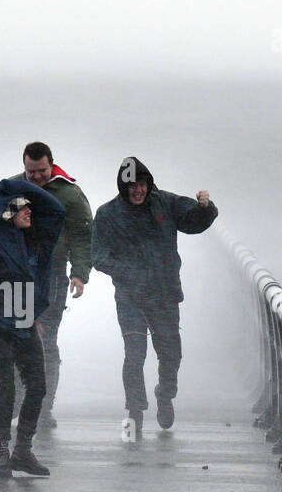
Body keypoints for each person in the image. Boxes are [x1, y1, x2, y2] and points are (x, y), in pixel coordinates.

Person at [91, 157, 219, 434]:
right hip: (130, 296)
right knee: (135, 354)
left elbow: (194, 222)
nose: (137, 191)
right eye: (131, 187)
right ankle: (134, 411)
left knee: (171, 353)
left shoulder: (166, 203)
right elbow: (98, 256)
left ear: (148, 184)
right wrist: (128, 272)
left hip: (164, 292)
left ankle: (165, 394)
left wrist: (205, 208)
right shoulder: (107, 214)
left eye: (141, 185)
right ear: (122, 188)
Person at [0, 142, 92, 430]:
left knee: (44, 341)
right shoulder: (11, 188)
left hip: (50, 278)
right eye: (31, 171)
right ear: (23, 166)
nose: (36, 177)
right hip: (9, 278)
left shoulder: (68, 193)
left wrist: (80, 272)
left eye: (41, 171)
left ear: (52, 165)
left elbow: (82, 233)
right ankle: (15, 398)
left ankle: (43, 405)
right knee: (13, 337)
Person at [0, 179, 65, 475]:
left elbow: (58, 210)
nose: (28, 211)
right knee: (7, 389)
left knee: (37, 387)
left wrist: (18, 185)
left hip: (24, 326)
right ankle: (1, 452)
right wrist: (14, 312)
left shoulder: (37, 240)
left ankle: (22, 451)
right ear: (6, 213)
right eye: (21, 207)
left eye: (28, 206)